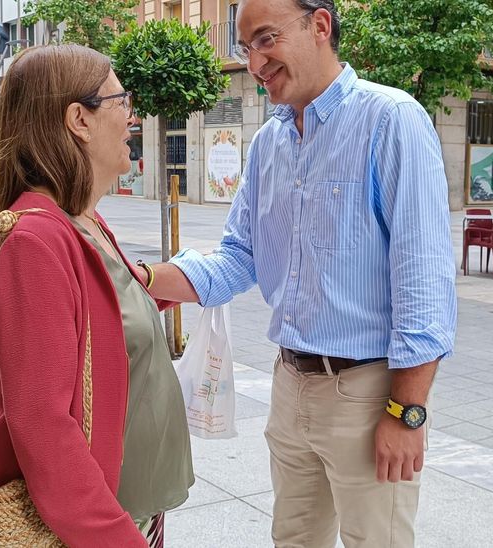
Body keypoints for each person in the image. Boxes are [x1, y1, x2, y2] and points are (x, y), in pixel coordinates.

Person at [135, 1, 456, 545]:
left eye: (265, 39)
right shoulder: (269, 143)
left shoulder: (390, 120)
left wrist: (407, 413)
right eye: (245, 47)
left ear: (320, 25)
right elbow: (238, 258)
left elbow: (422, 279)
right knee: (294, 539)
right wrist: (138, 277)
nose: (255, 62)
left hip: (368, 391)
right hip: (290, 385)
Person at [0, 44, 192, 547]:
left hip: (136, 507)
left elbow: (112, 309)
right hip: (104, 525)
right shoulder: (36, 239)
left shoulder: (83, 218)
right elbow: (44, 429)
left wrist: (213, 276)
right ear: (79, 118)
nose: (132, 116)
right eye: (122, 101)